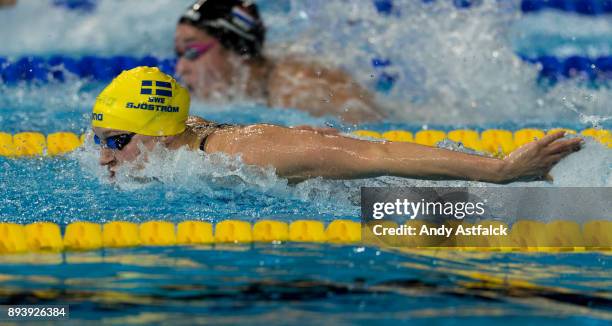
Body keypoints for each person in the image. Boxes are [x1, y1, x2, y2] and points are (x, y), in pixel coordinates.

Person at [91, 67, 582, 184]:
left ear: (159, 135)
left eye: (116, 142)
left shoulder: (242, 155)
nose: (104, 157)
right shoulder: (179, 136)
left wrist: (499, 169)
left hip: (379, 191)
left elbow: (376, 157)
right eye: (98, 141)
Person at [175, 0, 386, 123]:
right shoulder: (245, 93)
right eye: (179, 54)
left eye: (192, 52)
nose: (180, 68)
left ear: (238, 51)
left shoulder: (301, 87)